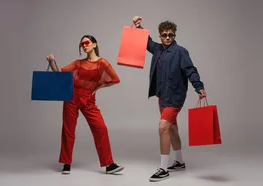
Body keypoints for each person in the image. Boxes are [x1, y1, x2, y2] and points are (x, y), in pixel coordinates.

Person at [131, 16, 207, 182]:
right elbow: (146, 41)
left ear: (175, 36)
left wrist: (198, 86)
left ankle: (163, 169)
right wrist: (138, 26)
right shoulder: (157, 49)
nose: (167, 38)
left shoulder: (180, 52)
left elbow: (191, 70)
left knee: (163, 127)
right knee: (172, 129)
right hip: (162, 96)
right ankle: (179, 161)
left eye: (170, 35)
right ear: (160, 35)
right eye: (164, 35)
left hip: (175, 96)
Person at [45, 35, 124, 175]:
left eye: (87, 43)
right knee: (68, 130)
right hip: (72, 97)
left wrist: (98, 88)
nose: (84, 45)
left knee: (101, 128)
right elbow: (59, 74)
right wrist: (51, 61)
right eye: (82, 44)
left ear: (94, 44)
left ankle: (109, 165)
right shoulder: (78, 63)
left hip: (88, 99)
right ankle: (66, 163)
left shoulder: (102, 63)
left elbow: (115, 79)